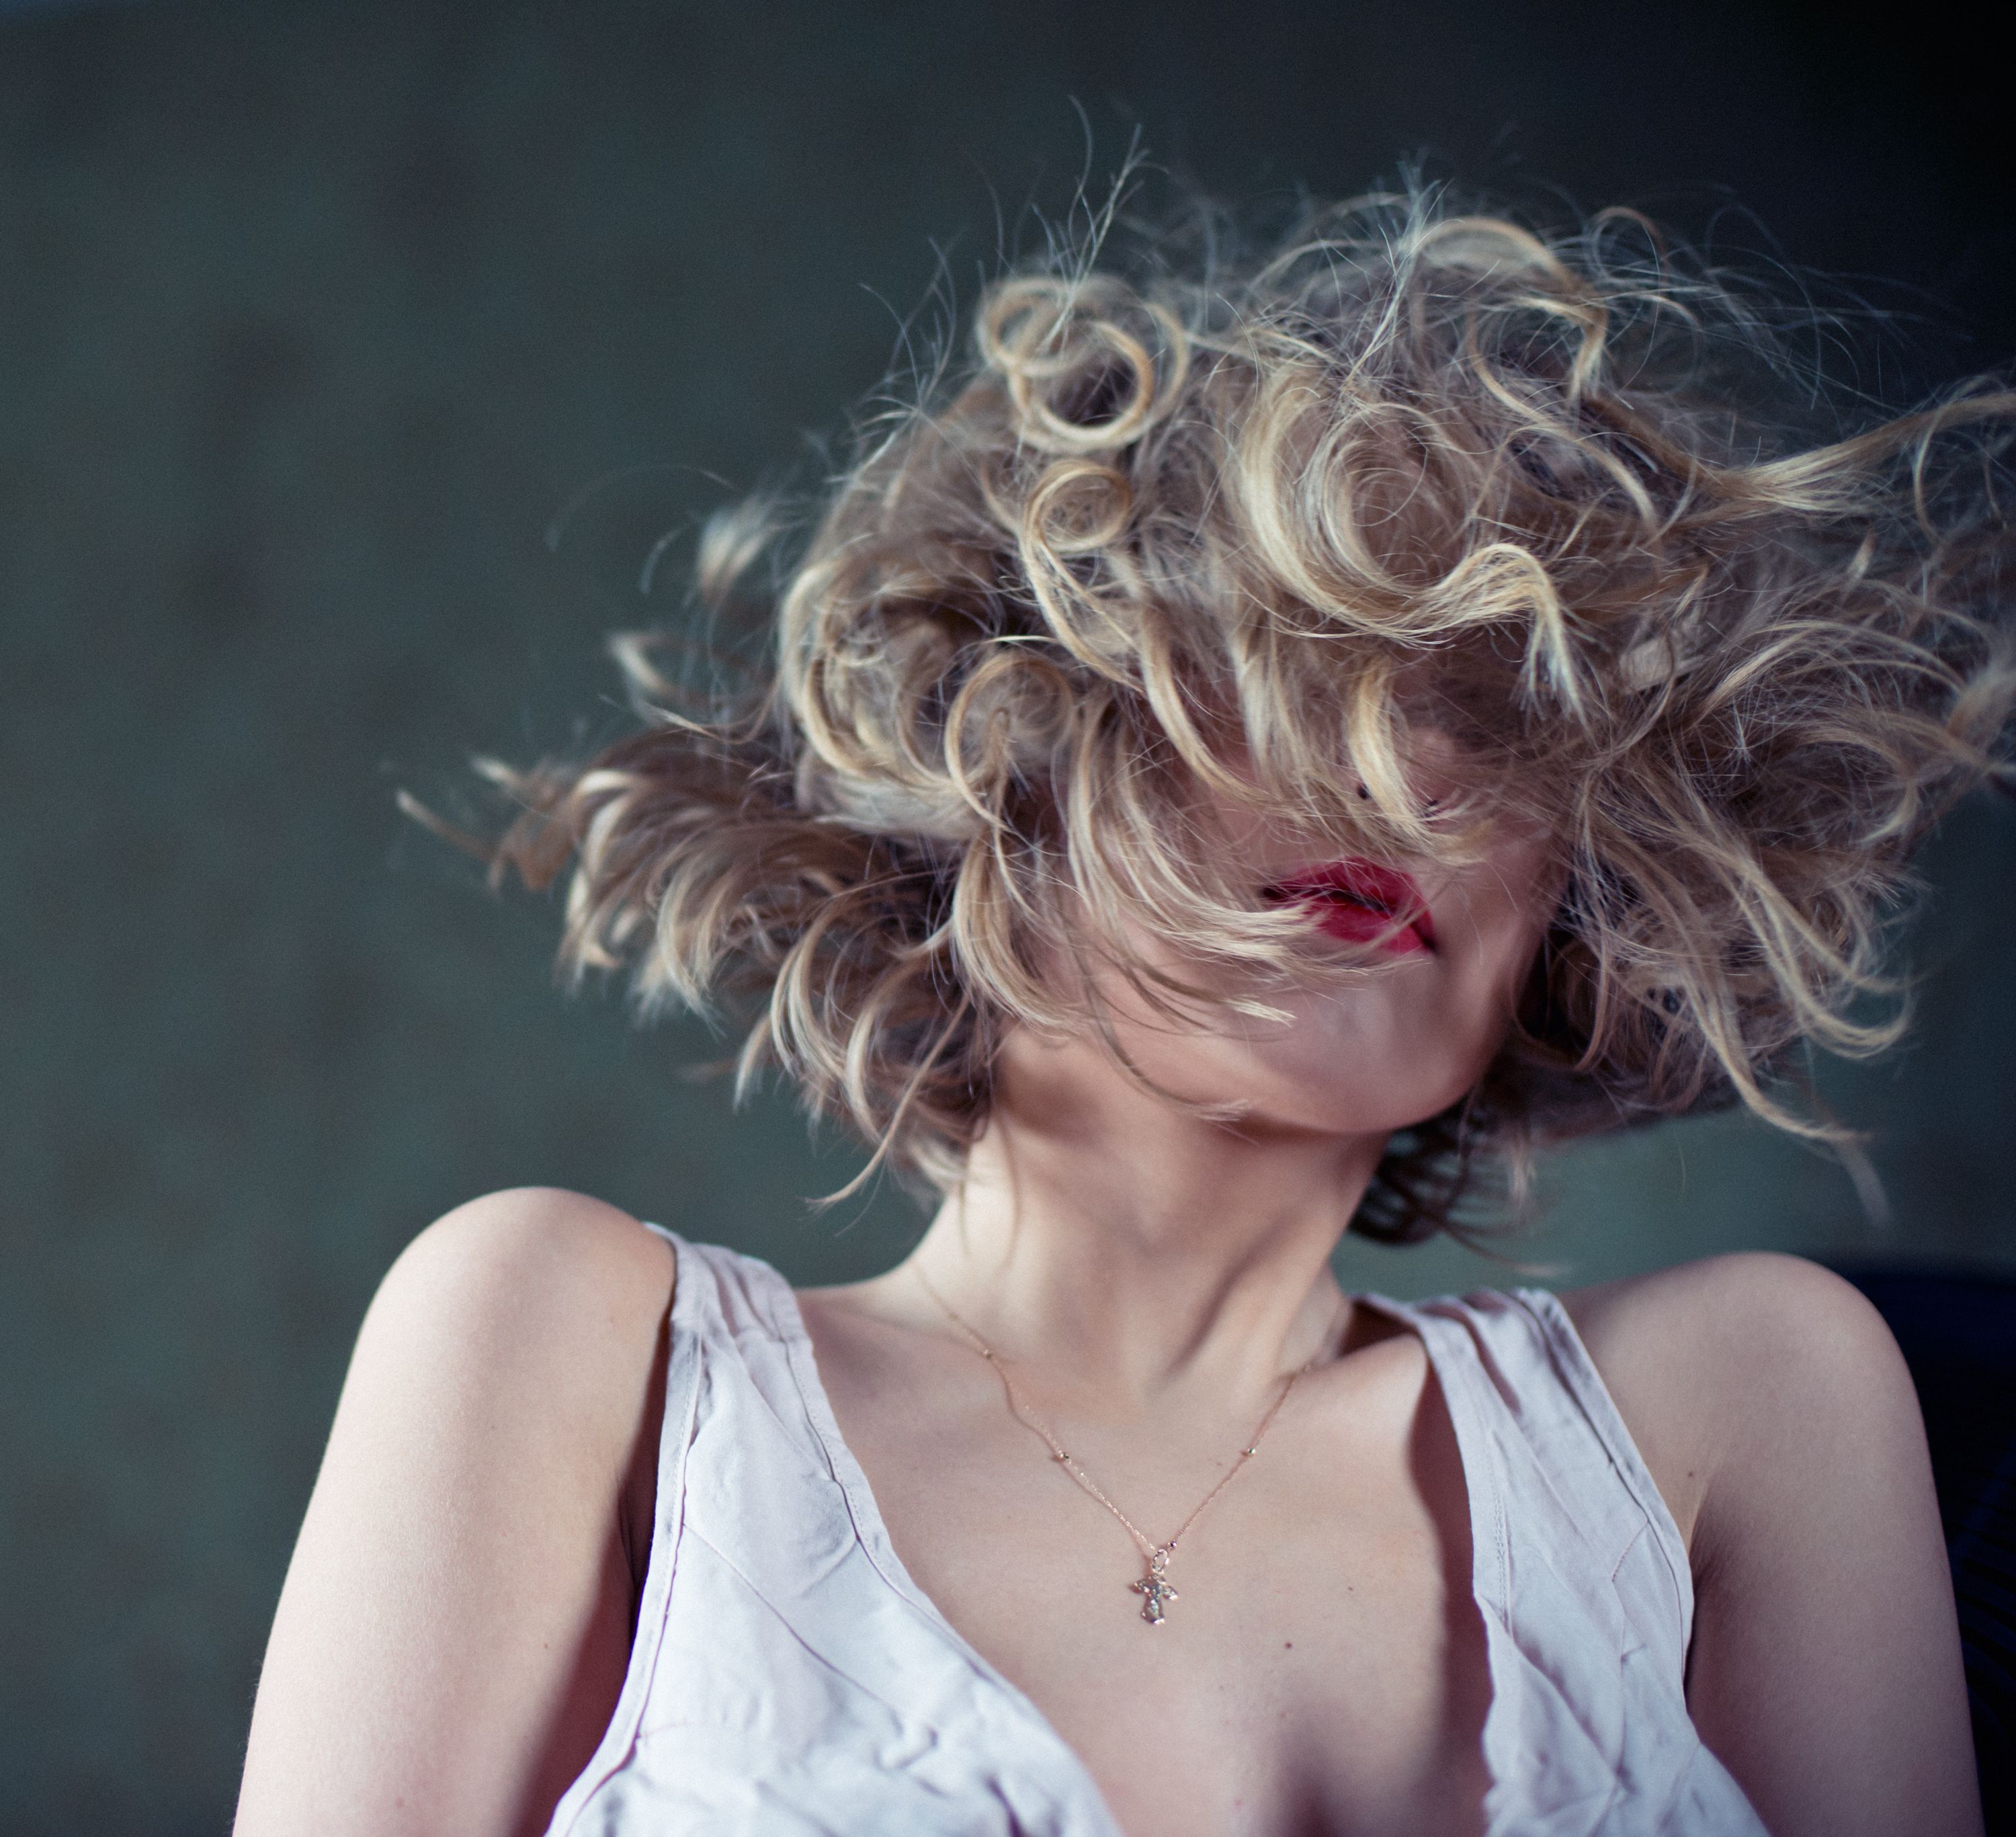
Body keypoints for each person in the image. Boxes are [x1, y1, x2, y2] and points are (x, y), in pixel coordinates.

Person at [233, 183, 2013, 1836]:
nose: (1416, 781)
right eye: (1298, 674)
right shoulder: (583, 1350)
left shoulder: (1743, 1401)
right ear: (1006, 760)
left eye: (1504, 720)